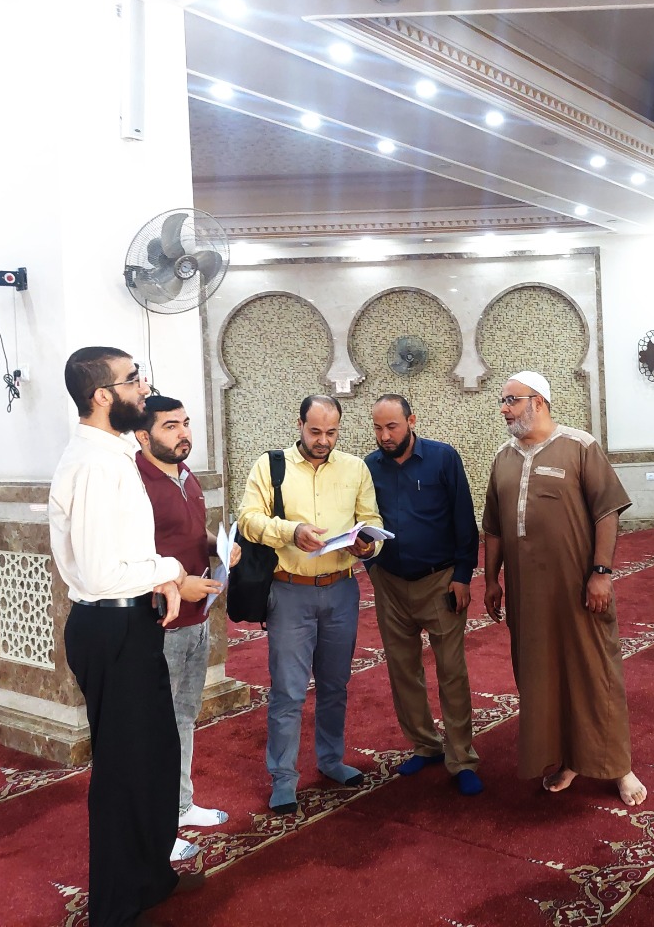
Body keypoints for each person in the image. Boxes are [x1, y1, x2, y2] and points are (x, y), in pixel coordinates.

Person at [49, 348, 202, 926]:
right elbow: (98, 573)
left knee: (152, 758)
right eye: (133, 379)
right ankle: (114, 907)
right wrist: (172, 572)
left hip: (129, 620)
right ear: (102, 396)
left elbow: (124, 553)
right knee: (123, 770)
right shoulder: (95, 463)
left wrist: (158, 572)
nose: (143, 387)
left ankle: (150, 879)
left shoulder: (113, 452)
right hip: (110, 625)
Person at [482, 370, 646, 806]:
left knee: (594, 673)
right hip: (527, 595)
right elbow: (494, 528)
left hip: (578, 589)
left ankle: (619, 768)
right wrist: (491, 579)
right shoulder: (503, 457)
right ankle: (568, 759)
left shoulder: (579, 446)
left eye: (511, 400)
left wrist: (601, 572)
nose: (504, 409)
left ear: (538, 401)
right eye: (502, 401)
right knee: (541, 677)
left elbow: (607, 512)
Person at [238, 394, 383, 814]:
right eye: (315, 431)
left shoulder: (355, 468)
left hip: (341, 590)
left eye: (331, 432)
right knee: (288, 690)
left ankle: (331, 760)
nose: (323, 440)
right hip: (289, 592)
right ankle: (283, 778)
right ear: (299, 424)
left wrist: (366, 546)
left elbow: (372, 522)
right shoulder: (270, 466)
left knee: (335, 685)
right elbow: (248, 519)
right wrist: (290, 531)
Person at [134, 395, 241, 861]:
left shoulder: (185, 475)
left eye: (186, 423)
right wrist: (180, 582)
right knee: (156, 728)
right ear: (143, 435)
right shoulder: (134, 482)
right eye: (171, 426)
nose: (184, 433)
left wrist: (220, 546)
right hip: (161, 625)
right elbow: (134, 558)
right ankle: (156, 829)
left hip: (197, 619)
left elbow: (192, 535)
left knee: (183, 718)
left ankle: (180, 805)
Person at [364, 394, 483, 795]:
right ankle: (425, 745)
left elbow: (464, 518)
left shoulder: (442, 458)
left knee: (451, 671)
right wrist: (373, 569)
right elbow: (362, 522)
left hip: (440, 581)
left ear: (411, 421)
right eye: (378, 428)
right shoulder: (368, 467)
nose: (384, 435)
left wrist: (463, 575)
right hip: (390, 583)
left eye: (392, 426)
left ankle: (461, 758)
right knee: (403, 670)